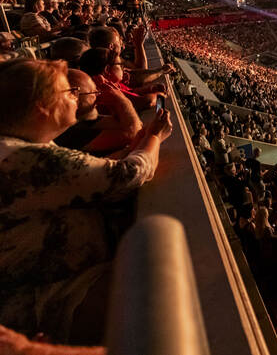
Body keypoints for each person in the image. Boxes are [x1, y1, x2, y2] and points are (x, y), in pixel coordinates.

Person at [0, 58, 172, 337]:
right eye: (68, 92)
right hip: (43, 299)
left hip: (53, 282)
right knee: (159, 292)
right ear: (41, 108)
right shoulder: (22, 159)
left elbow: (85, 171)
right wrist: (155, 138)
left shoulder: (22, 147)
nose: (76, 98)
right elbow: (128, 174)